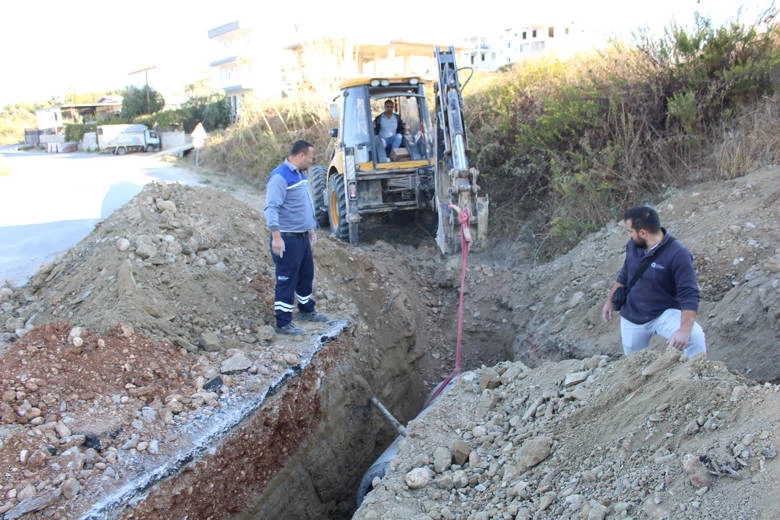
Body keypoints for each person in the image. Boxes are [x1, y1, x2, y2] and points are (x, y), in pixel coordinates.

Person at [602, 206, 706, 359]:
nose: (629, 236)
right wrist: (610, 300)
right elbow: (626, 272)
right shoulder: (634, 245)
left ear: (643, 233)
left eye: (630, 231)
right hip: (633, 315)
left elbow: (689, 294)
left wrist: (683, 331)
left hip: (664, 313)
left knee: (694, 336)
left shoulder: (678, 254)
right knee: (633, 362)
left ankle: (698, 373)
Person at [263, 140, 329, 335]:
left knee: (305, 275)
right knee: (287, 280)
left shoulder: (299, 174)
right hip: (287, 239)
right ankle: (283, 323)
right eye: (310, 157)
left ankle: (306, 311)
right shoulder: (280, 177)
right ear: (300, 156)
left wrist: (310, 228)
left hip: (302, 237)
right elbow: (271, 208)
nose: (311, 161)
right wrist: (276, 237)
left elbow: (302, 204)